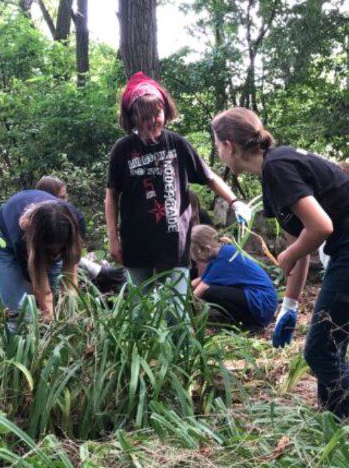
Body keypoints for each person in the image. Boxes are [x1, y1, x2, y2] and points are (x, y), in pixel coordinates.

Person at [211, 107, 349, 445]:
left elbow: (319, 229)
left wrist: (287, 254)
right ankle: (338, 437)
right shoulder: (274, 180)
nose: (219, 153)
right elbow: (300, 246)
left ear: (229, 145)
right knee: (329, 349)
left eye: (217, 146)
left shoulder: (277, 166)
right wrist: (289, 305)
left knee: (320, 352)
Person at [106, 72, 252, 301]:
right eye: (146, 116)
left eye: (158, 113)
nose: (154, 120)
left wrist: (235, 202)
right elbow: (111, 196)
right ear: (134, 117)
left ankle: (178, 339)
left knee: (175, 309)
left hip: (173, 241)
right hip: (135, 240)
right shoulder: (123, 149)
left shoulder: (177, 144)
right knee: (138, 307)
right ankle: (144, 339)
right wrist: (113, 239)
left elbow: (209, 177)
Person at [0, 188, 86, 321]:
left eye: (59, 250)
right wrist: (49, 319)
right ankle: (23, 337)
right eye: (50, 250)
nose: (55, 255)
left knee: (60, 298)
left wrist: (70, 316)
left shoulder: (76, 222)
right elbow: (41, 288)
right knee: (19, 310)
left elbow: (70, 277)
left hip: (44, 236)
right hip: (4, 241)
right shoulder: (21, 237)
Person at [190, 224, 278, 330]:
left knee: (209, 292)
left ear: (204, 249)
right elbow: (199, 281)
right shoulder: (221, 253)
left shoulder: (225, 258)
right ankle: (239, 319)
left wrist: (183, 311)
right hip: (262, 301)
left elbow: (200, 290)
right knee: (211, 291)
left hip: (262, 303)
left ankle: (250, 324)